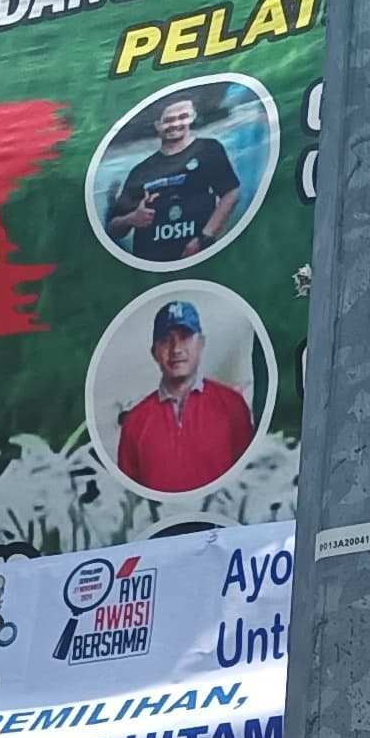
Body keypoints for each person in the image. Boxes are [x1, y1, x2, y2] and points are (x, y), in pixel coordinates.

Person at [112, 298, 257, 495]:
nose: (176, 349)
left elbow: (249, 482)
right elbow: (128, 498)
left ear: (201, 343)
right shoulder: (135, 422)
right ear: (154, 352)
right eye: (166, 340)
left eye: (185, 337)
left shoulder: (232, 405)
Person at [104, 90, 243, 264]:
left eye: (182, 117)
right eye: (168, 120)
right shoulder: (140, 171)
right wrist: (131, 219)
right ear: (157, 125)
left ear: (192, 117)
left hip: (200, 258)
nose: (175, 124)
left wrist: (204, 238)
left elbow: (231, 194)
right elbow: (113, 229)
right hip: (152, 265)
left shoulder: (208, 149)